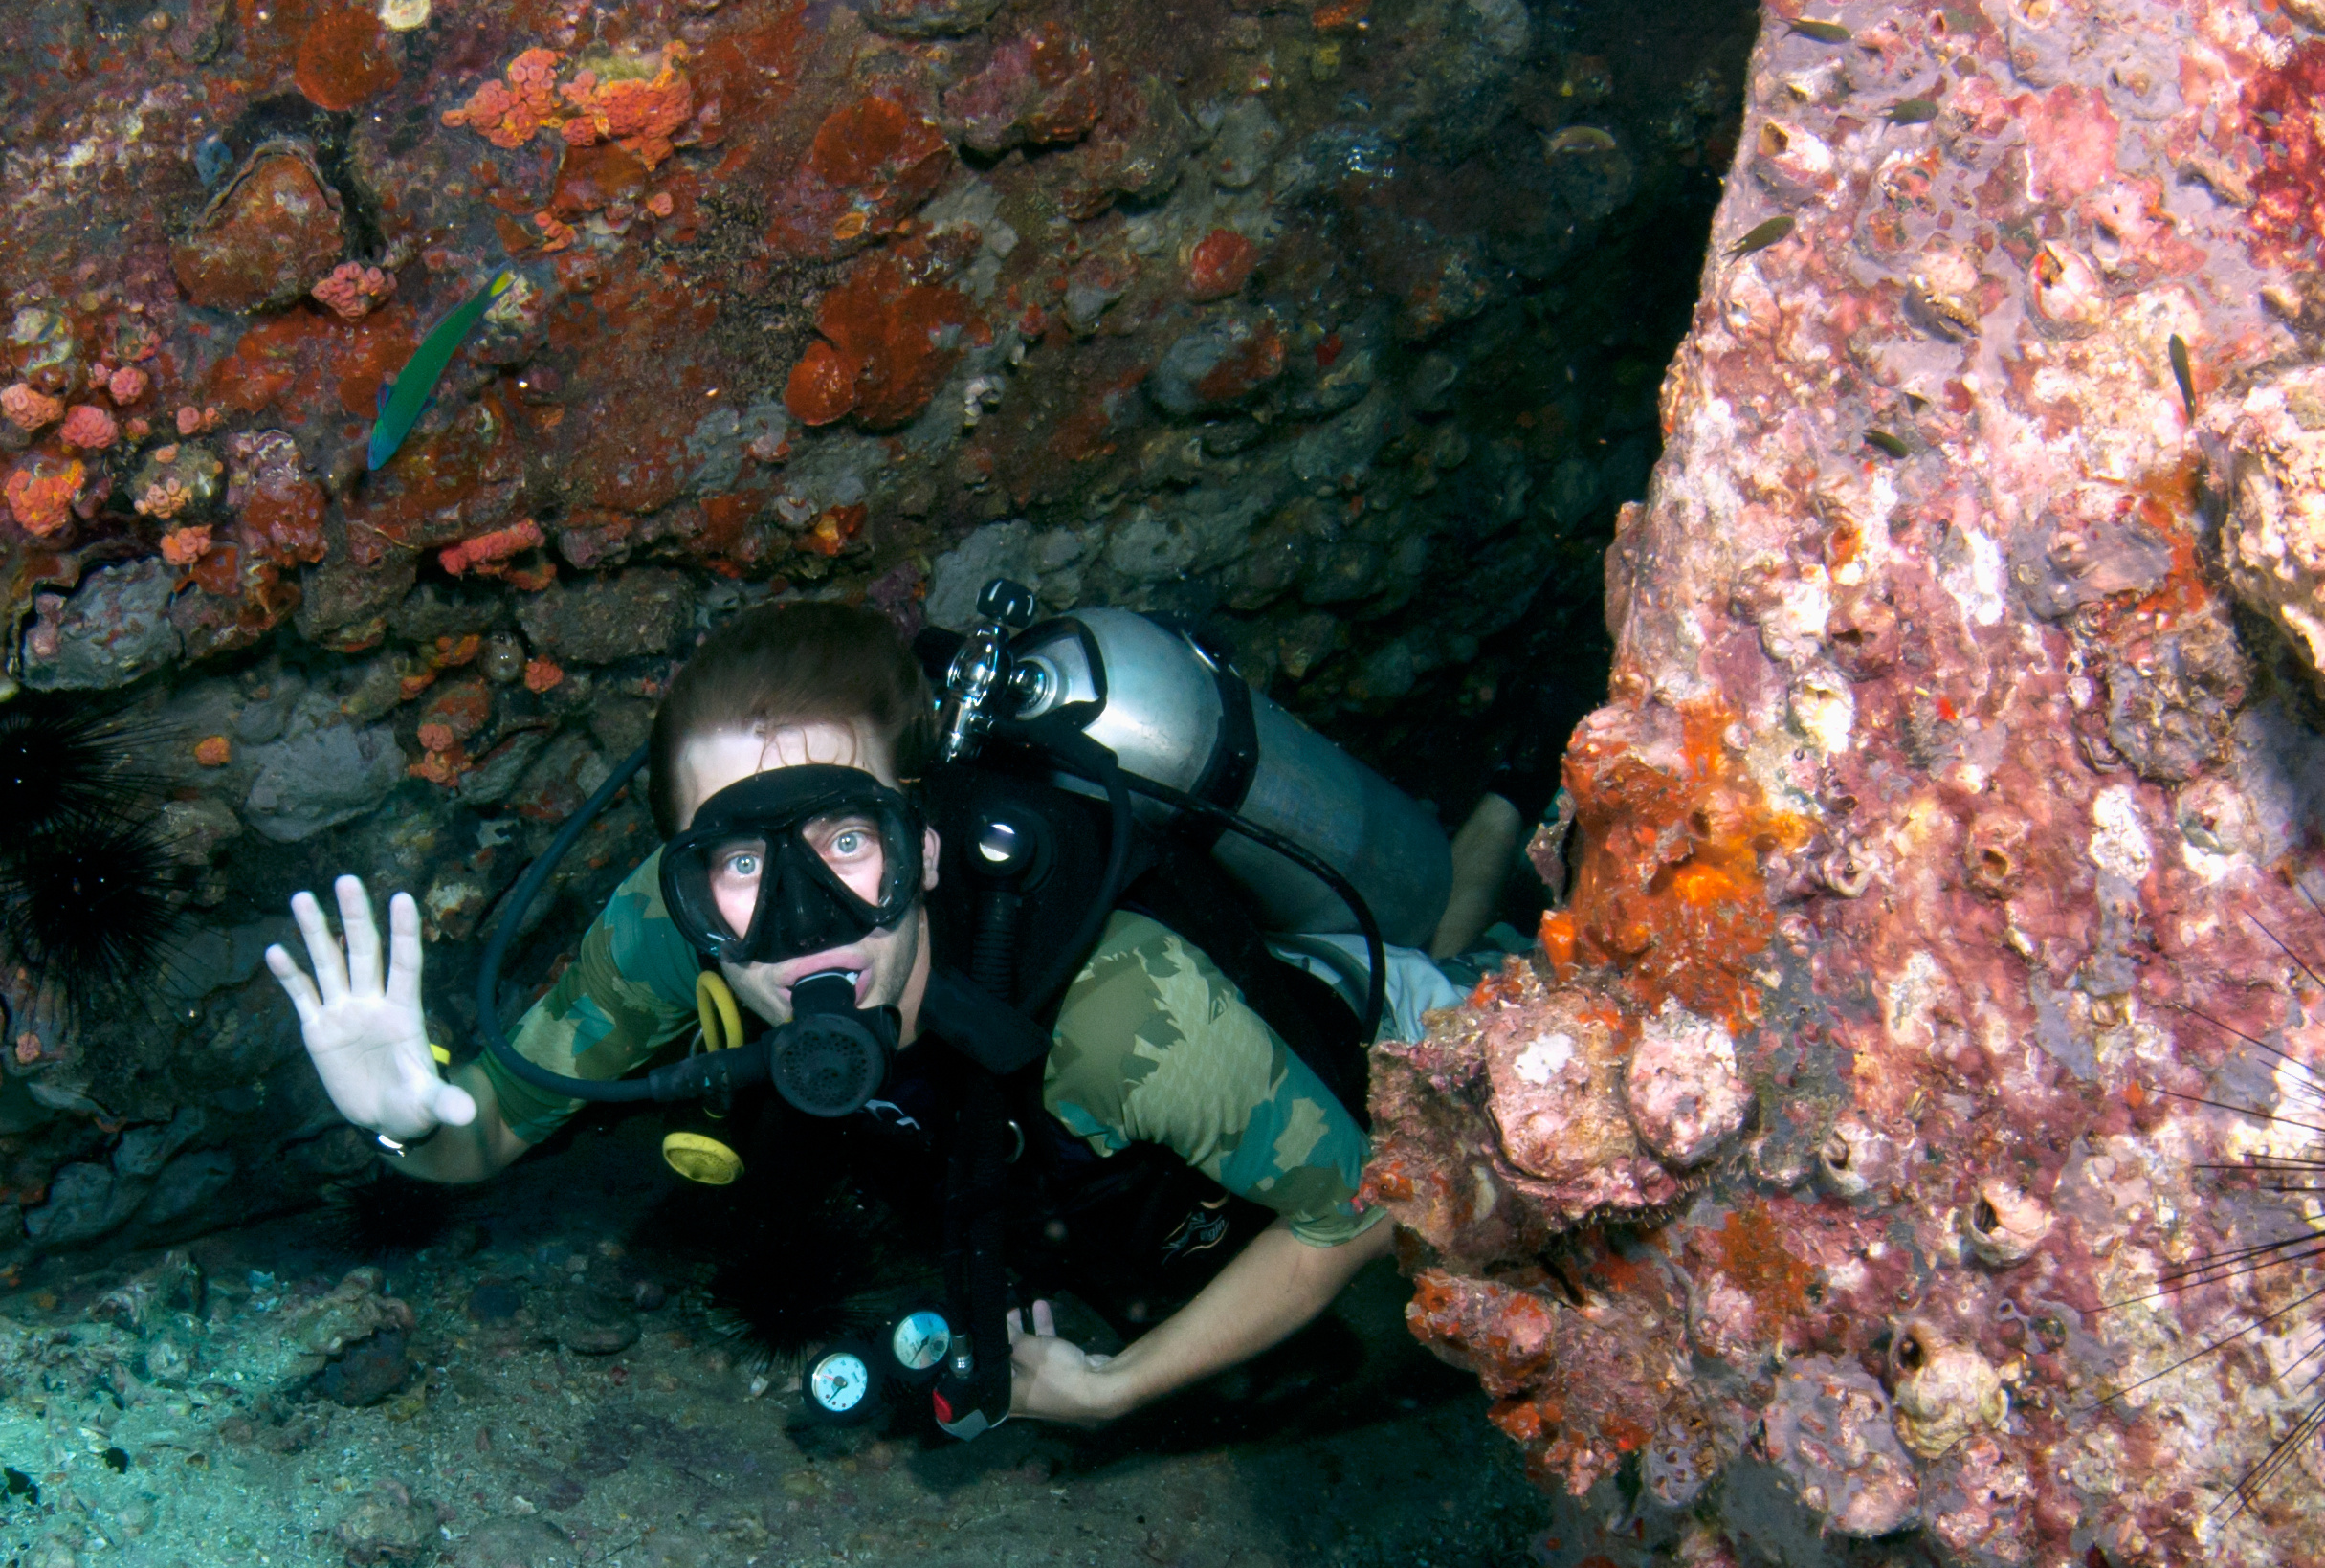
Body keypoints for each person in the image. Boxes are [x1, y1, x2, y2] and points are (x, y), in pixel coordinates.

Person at [264, 601, 1550, 1428]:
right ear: (684, 878)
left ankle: (1515, 815)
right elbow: (482, 1130)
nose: (805, 921)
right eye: (745, 863)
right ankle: (1495, 808)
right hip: (1109, 1162)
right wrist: (409, 1123)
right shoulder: (671, 936)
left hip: (1364, 1039)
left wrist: (1113, 1391)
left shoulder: (1126, 1017)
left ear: (925, 843)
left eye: (843, 839)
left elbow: (1361, 1205)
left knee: (1462, 1244)